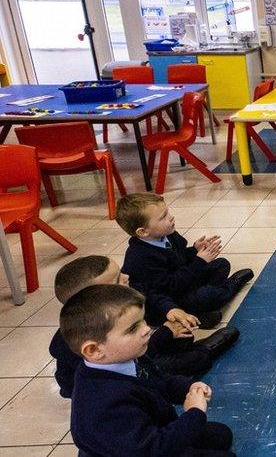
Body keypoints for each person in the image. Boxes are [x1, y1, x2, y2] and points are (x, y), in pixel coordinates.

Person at [63, 284, 234, 456]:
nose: (147, 329)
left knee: (221, 435)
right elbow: (152, 449)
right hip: (149, 448)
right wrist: (194, 414)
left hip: (152, 430)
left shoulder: (128, 356)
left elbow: (160, 381)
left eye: (142, 321)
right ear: (94, 350)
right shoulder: (103, 408)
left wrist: (188, 387)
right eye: (132, 329)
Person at [49, 255, 239, 398]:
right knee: (191, 360)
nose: (126, 277)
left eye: (121, 272)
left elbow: (152, 295)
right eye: (117, 280)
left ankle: (193, 337)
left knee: (183, 335)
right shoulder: (73, 344)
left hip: (137, 352)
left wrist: (171, 310)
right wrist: (164, 333)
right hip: (127, 370)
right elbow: (133, 357)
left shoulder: (122, 298)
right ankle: (204, 350)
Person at [118, 193, 253, 328]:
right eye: (163, 217)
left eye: (168, 212)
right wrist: (199, 262)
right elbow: (170, 287)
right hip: (169, 300)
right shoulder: (141, 257)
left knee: (221, 264)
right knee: (208, 295)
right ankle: (230, 287)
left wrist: (195, 250)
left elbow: (180, 258)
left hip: (183, 282)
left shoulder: (167, 234)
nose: (171, 217)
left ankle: (201, 308)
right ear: (143, 232)